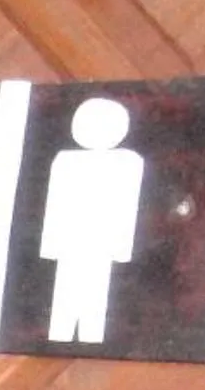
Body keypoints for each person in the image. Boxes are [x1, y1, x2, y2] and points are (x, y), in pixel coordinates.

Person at [40, 97, 144, 346]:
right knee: (66, 292)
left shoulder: (127, 163)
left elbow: (125, 206)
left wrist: (122, 246)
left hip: (101, 244)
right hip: (71, 242)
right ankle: (61, 332)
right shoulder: (66, 161)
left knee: (95, 293)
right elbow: (56, 202)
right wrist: (51, 242)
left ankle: (89, 334)